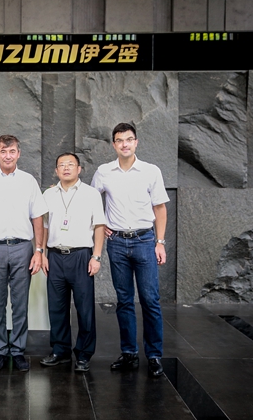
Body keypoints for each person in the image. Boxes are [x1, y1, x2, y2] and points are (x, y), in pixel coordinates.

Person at [90, 122, 169, 377]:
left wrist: (160, 242)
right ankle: (129, 353)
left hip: (145, 240)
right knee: (124, 300)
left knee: (150, 300)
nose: (124, 144)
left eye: (129, 139)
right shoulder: (104, 172)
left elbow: (160, 208)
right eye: (119, 140)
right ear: (114, 144)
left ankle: (154, 355)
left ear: (136, 142)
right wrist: (102, 223)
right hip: (116, 243)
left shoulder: (150, 171)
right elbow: (91, 200)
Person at [0, 135, 48, 372]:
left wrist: (39, 250)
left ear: (19, 153)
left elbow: (38, 217)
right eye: (3, 151)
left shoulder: (28, 181)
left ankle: (17, 350)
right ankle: (0, 350)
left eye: (12, 151)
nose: (8, 156)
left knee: (20, 303)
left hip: (22, 248)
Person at [40, 153, 105, 372]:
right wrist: (42, 253)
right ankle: (60, 350)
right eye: (61, 165)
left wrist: (96, 256)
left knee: (84, 308)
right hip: (55, 256)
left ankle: (84, 354)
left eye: (70, 164)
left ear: (79, 169)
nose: (66, 168)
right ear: (56, 170)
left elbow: (99, 226)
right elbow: (44, 226)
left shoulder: (91, 194)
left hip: (81, 256)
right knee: (56, 308)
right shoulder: (48, 194)